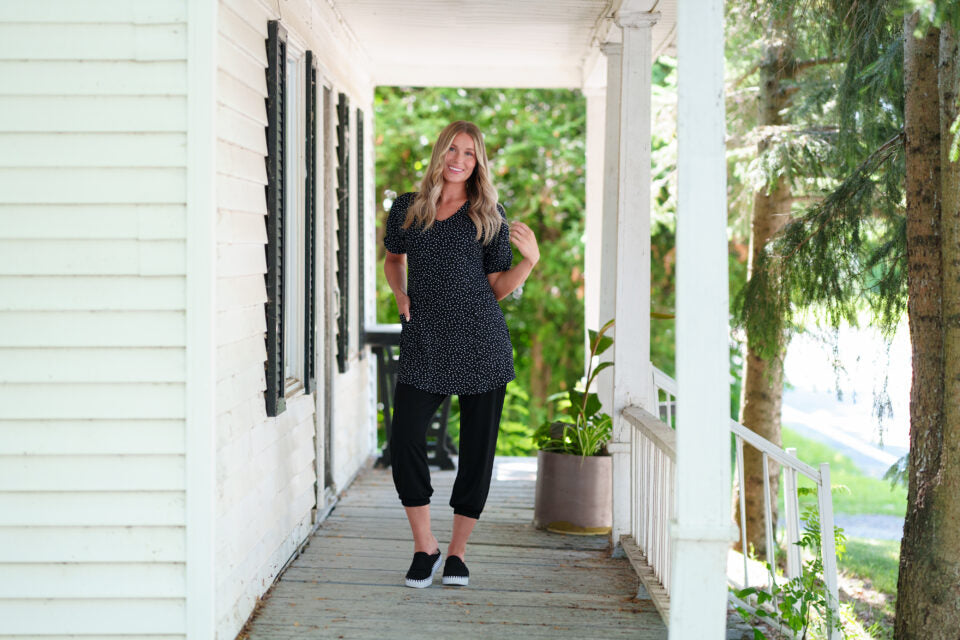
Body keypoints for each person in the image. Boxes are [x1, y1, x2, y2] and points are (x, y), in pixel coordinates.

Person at [382, 120, 539, 588]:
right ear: (440, 152)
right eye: (453, 149)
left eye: (469, 153)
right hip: (424, 341)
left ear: (478, 161)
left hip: (480, 343)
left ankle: (456, 553)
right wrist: (399, 293)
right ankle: (424, 546)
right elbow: (394, 258)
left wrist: (529, 263)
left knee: (477, 451)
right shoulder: (408, 209)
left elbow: (496, 289)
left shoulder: (489, 214)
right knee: (405, 437)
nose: (459, 159)